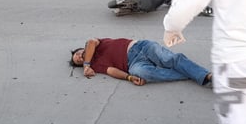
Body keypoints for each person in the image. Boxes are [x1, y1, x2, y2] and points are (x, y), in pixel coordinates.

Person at [70, 38, 212, 87]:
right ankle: (195, 74)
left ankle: (205, 75)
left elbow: (90, 42)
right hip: (133, 64)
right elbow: (111, 71)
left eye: (77, 54)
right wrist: (129, 78)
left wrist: (86, 64)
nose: (79, 57)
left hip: (139, 47)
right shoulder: (95, 65)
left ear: (82, 49)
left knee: (168, 59)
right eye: (78, 61)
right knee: (143, 73)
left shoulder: (93, 44)